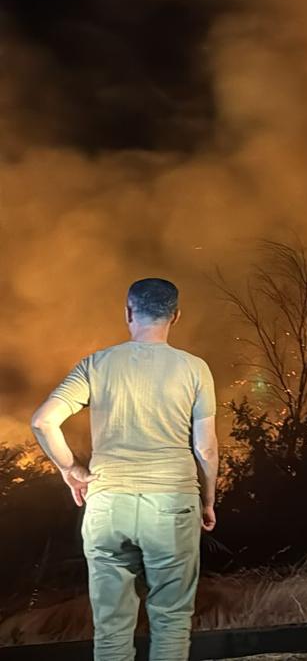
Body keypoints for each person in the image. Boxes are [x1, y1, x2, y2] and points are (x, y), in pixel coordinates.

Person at [29, 278, 219, 661]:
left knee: (111, 627)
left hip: (107, 503)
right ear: (176, 316)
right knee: (171, 620)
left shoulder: (96, 365)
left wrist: (72, 470)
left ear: (129, 312)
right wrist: (208, 499)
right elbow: (206, 447)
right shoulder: (195, 369)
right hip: (172, 503)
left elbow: (43, 421)